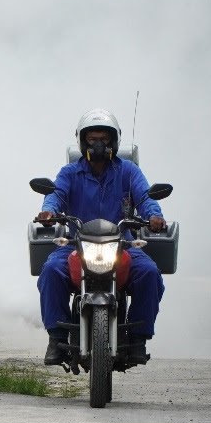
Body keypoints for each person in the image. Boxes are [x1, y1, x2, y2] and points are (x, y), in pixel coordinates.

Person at [35, 109, 166, 365]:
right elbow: (56, 194)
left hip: (123, 245)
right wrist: (48, 211)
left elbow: (145, 197)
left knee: (150, 273)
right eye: (92, 138)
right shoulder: (70, 173)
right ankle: (56, 337)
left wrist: (154, 216)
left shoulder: (128, 171)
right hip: (76, 245)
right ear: (82, 142)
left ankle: (138, 338)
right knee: (50, 271)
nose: (98, 144)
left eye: (104, 138)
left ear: (113, 141)